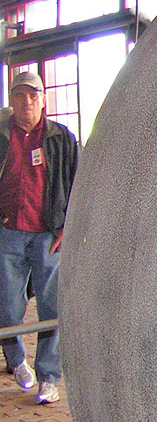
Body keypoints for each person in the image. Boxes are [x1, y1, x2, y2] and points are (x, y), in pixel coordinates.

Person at [0, 72, 78, 404]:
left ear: (43, 99)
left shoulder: (61, 138)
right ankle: (16, 360)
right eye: (19, 95)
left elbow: (76, 184)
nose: (27, 102)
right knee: (8, 305)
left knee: (51, 308)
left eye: (33, 95)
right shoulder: (2, 136)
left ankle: (49, 376)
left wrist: (66, 228)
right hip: (8, 234)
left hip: (49, 236)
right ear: (11, 100)